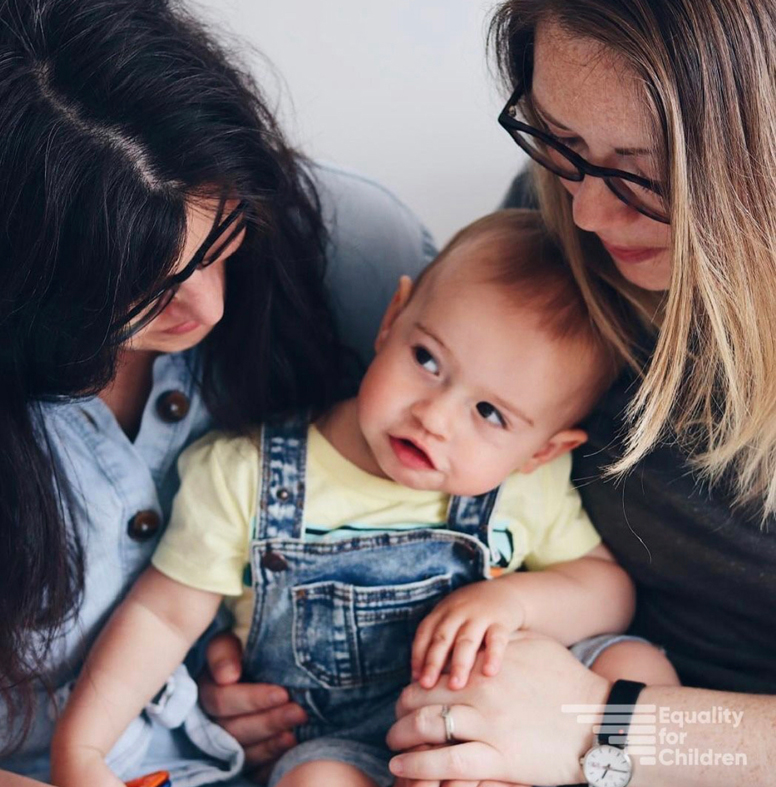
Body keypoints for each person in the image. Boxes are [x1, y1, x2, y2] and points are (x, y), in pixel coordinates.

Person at [49, 209, 680, 787]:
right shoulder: (244, 473)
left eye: (489, 413)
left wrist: (512, 601)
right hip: (350, 745)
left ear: (542, 450)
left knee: (633, 665)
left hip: (515, 710)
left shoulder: (524, 485)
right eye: (429, 360)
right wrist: (81, 749)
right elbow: (161, 618)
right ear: (391, 320)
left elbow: (607, 591)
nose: (435, 417)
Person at [0, 0, 434, 785]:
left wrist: (218, 673)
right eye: (142, 293)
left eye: (222, 242)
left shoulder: (350, 253)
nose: (211, 310)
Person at [386, 1, 776, 786]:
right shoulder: (553, 216)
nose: (590, 213)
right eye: (562, 143)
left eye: (646, 173)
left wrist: (602, 725)